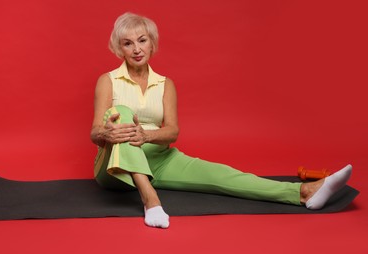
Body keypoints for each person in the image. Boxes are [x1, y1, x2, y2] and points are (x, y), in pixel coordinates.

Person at [90, 12, 352, 229]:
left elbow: (172, 131)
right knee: (121, 114)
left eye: (142, 40)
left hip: (158, 159)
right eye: (128, 43)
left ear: (151, 43)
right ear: (119, 49)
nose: (136, 49)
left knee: (224, 175)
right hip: (116, 165)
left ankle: (303, 193)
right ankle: (151, 199)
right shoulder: (108, 80)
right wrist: (108, 136)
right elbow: (94, 132)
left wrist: (146, 136)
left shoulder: (165, 84)